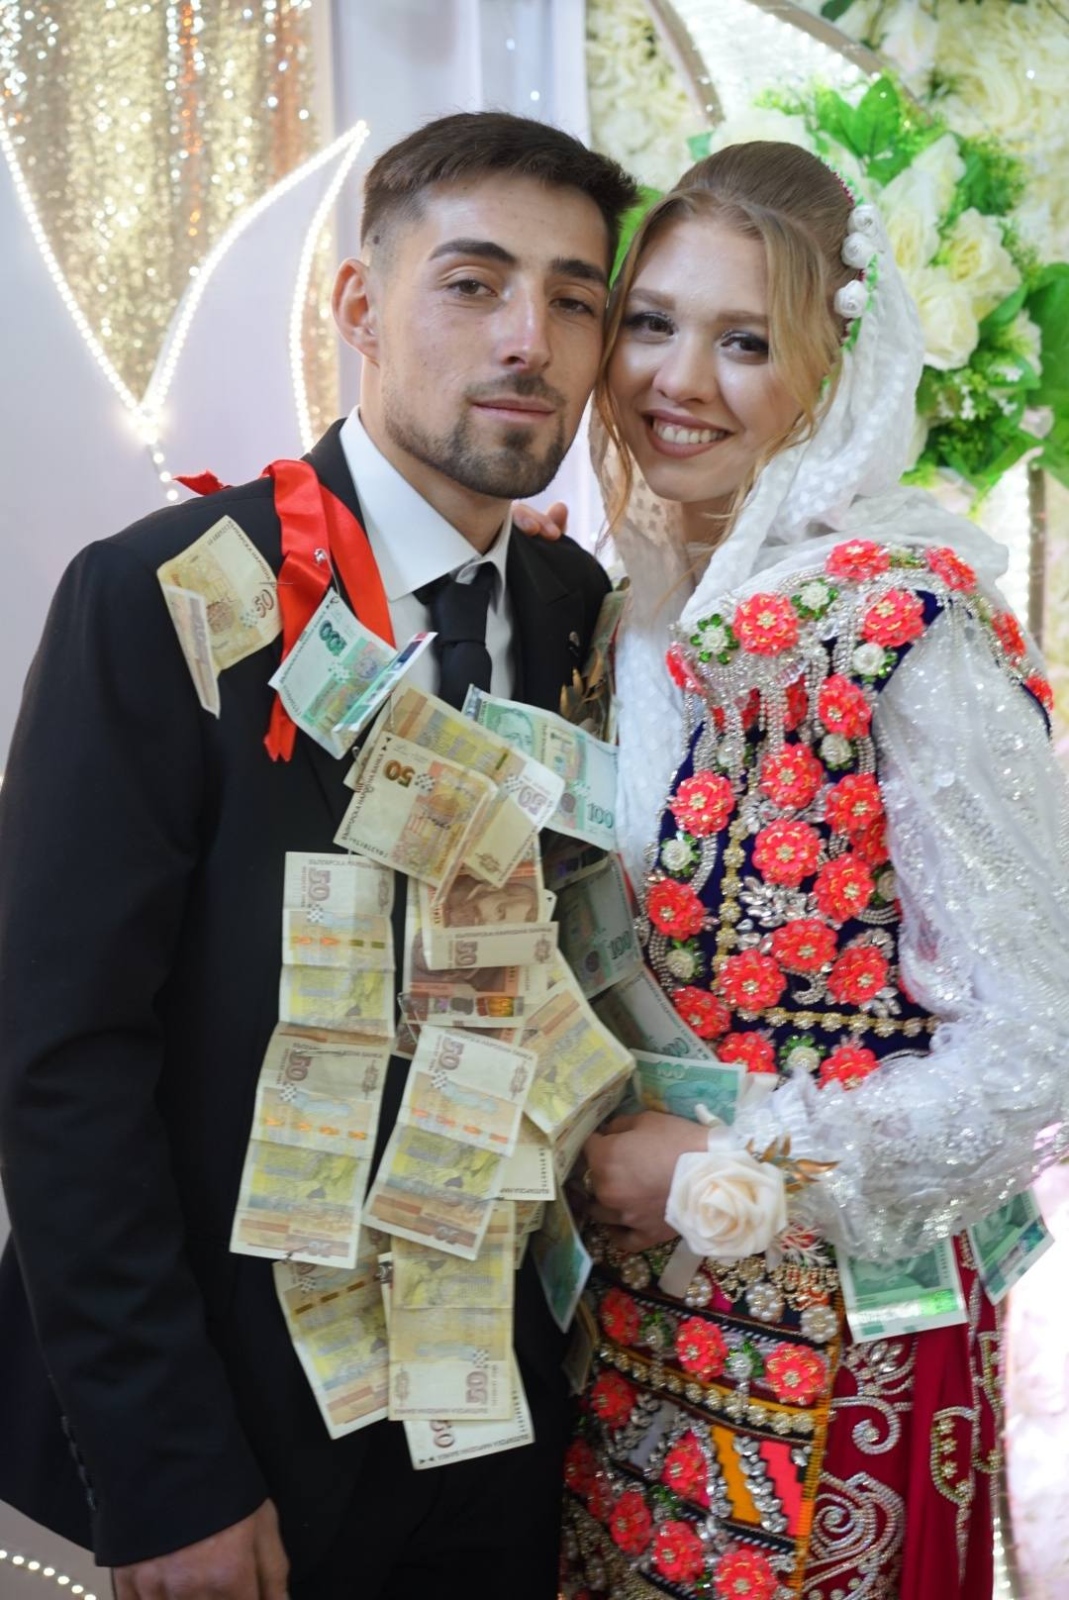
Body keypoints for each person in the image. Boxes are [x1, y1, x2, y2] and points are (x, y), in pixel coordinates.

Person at [0, 111, 637, 1599]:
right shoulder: (162, 595)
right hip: (239, 1419)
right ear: (359, 303)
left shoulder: (577, 610)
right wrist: (169, 1475)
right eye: (472, 283)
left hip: (502, 1414)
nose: (527, 339)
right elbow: (59, 1058)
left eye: (573, 301)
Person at [553, 142, 1069, 1600]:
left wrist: (739, 1173)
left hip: (839, 1350)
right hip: (628, 1328)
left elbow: (1036, 1041)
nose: (676, 381)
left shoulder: (909, 628)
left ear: (834, 371)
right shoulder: (624, 611)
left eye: (744, 341)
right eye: (651, 323)